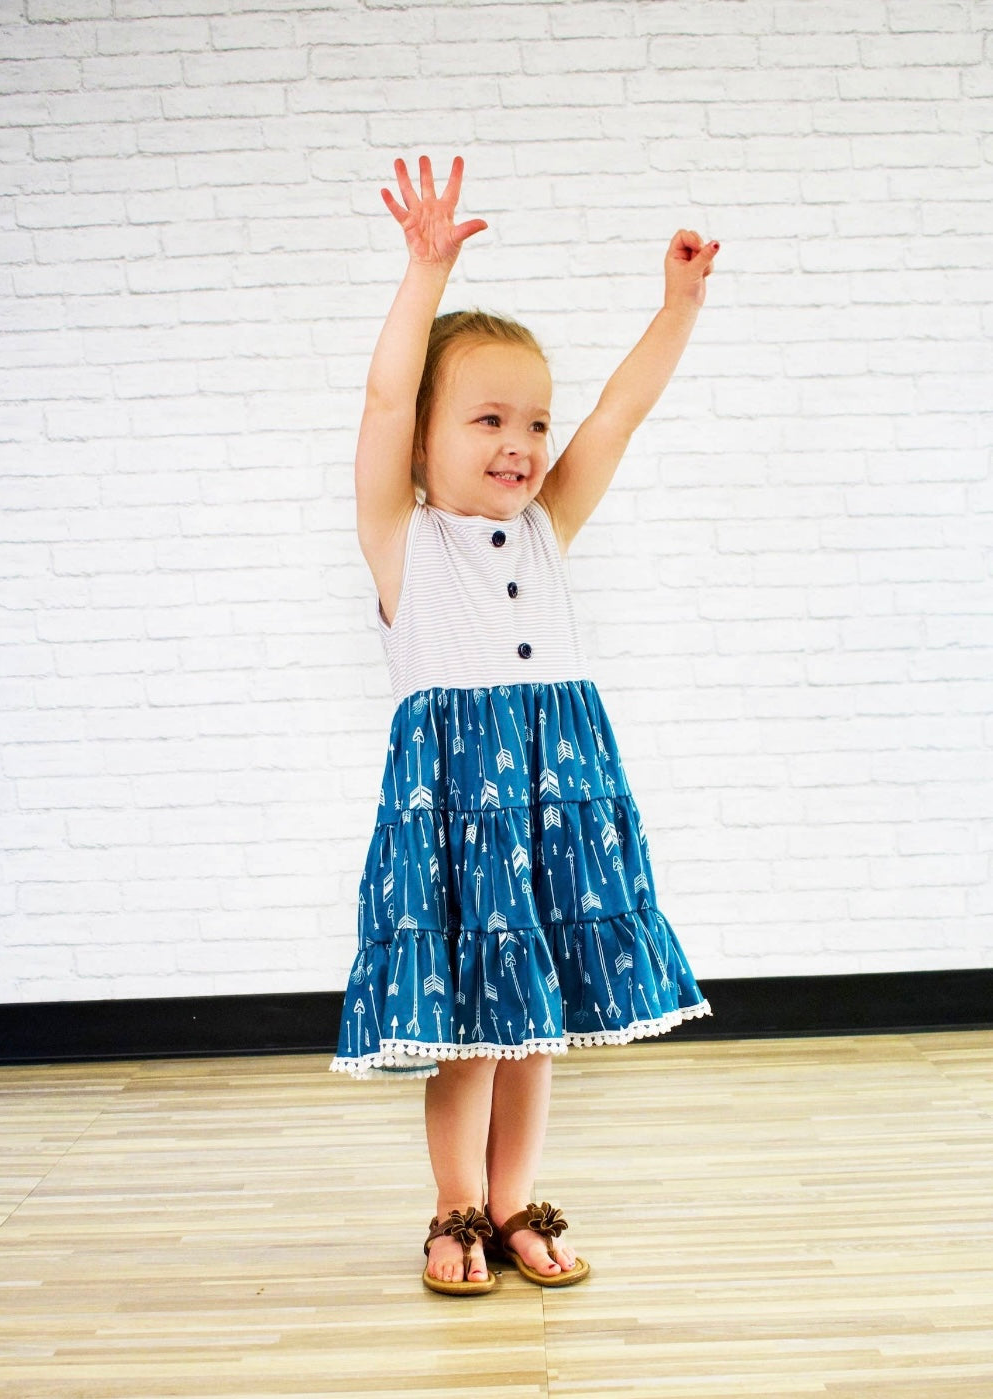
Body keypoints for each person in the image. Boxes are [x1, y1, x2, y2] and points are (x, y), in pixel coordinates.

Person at [330, 155, 716, 1296]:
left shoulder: (547, 527)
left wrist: (677, 308)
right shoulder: (405, 540)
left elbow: (622, 412)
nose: (522, 440)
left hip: (558, 791)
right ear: (423, 446)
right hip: (460, 800)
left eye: (531, 420)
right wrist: (425, 272)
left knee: (533, 1018)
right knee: (467, 1026)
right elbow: (384, 398)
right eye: (488, 417)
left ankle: (512, 1200)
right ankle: (453, 1203)